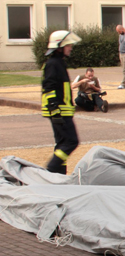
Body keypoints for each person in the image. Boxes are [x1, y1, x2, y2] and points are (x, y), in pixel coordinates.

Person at [41, 30, 82, 174]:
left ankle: (58, 175)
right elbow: (48, 87)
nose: (70, 47)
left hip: (61, 111)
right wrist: (54, 109)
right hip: (58, 111)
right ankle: (51, 169)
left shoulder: (58, 63)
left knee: (62, 143)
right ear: (59, 46)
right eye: (68, 45)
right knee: (71, 142)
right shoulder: (53, 64)